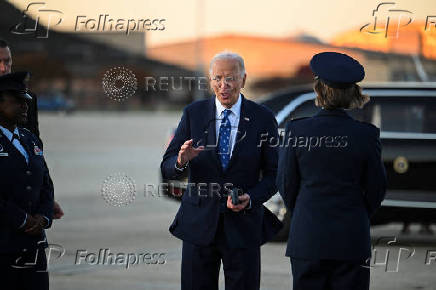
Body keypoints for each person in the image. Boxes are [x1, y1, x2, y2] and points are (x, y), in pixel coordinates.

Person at [161, 51, 282, 290]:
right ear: (210, 80)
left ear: (243, 80)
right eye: (217, 79)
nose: (223, 86)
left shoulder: (263, 118)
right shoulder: (193, 114)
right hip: (198, 225)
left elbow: (274, 175)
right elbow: (167, 168)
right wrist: (181, 161)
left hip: (243, 228)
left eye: (230, 78)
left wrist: (251, 199)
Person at [277, 52, 387, 290]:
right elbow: (377, 189)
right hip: (351, 239)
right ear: (352, 94)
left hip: (307, 238)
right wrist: (356, 214)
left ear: (319, 90)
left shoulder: (298, 130)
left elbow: (286, 184)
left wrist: (306, 212)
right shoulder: (366, 135)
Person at [0, 71, 54, 290]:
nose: (25, 106)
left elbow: (46, 183)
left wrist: (44, 216)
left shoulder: (29, 138)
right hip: (3, 244)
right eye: (17, 101)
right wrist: (21, 219)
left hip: (33, 246)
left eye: (26, 101)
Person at [0, 38, 63, 219]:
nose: (4, 68)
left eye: (7, 61)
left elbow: (36, 151)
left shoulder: (27, 100)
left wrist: (44, 199)